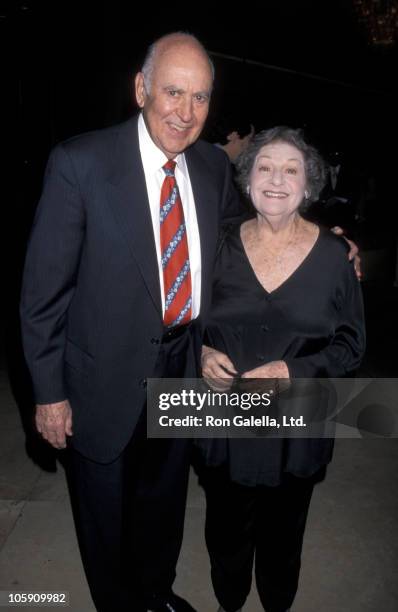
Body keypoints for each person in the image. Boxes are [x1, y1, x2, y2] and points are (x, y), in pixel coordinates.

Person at [20, 32, 242, 612]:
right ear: (141, 88)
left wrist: (322, 243)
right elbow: (43, 293)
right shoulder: (80, 164)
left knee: (164, 503)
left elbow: (243, 244)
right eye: (173, 91)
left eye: (200, 98)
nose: (185, 112)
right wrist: (49, 395)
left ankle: (155, 592)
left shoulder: (215, 167)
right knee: (105, 516)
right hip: (101, 377)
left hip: (182, 365)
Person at [197, 126, 366, 612]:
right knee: (226, 533)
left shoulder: (336, 258)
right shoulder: (216, 245)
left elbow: (351, 347)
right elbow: (181, 318)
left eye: (290, 170)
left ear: (308, 185)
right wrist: (202, 352)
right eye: (264, 167)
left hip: (297, 424)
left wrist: (294, 370)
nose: (276, 179)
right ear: (247, 180)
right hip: (223, 420)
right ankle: (229, 601)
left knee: (283, 537)